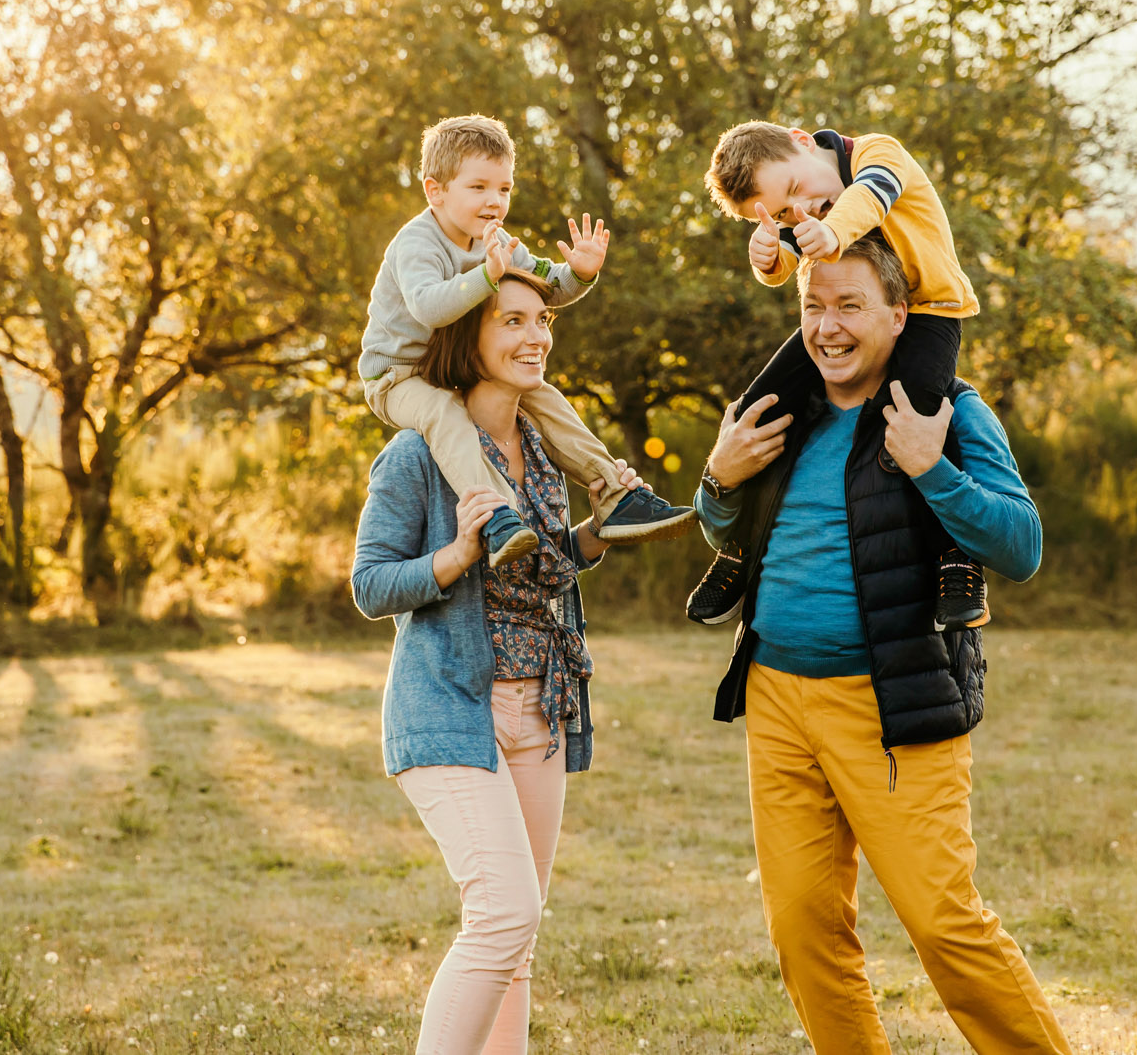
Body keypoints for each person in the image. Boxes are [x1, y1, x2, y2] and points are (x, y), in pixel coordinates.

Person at [689, 236, 1072, 1055]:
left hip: (894, 702)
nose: (827, 328)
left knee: (944, 926)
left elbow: (1023, 545)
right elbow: (733, 531)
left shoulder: (951, 410)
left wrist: (935, 470)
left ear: (900, 314)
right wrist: (718, 480)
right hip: (778, 700)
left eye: (849, 306)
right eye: (812, 307)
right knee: (803, 931)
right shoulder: (785, 412)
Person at [352, 268, 637, 1055]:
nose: (535, 335)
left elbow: (547, 567)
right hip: (451, 710)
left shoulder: (544, 446)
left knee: (520, 938)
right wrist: (455, 554)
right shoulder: (416, 454)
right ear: (465, 337)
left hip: (541, 709)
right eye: (511, 321)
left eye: (541, 318)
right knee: (504, 912)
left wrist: (599, 536)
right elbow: (371, 582)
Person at [359, 113, 694, 567]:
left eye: (504, 189)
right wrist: (486, 275)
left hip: (454, 368)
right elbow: (427, 307)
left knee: (544, 396)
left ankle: (615, 497)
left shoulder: (498, 243)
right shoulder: (418, 244)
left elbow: (546, 284)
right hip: (397, 376)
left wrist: (580, 271)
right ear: (435, 191)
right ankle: (496, 515)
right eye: (478, 187)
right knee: (444, 414)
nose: (494, 201)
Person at [698, 121, 986, 628]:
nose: (800, 211)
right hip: (848, 318)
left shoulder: (878, 155)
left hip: (929, 308)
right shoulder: (809, 209)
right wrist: (770, 257)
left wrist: (827, 233)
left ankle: (957, 559)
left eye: (794, 192)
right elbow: (791, 254)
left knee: (921, 410)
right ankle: (740, 547)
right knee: (759, 408)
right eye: (782, 212)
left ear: (804, 141)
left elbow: (869, 201)